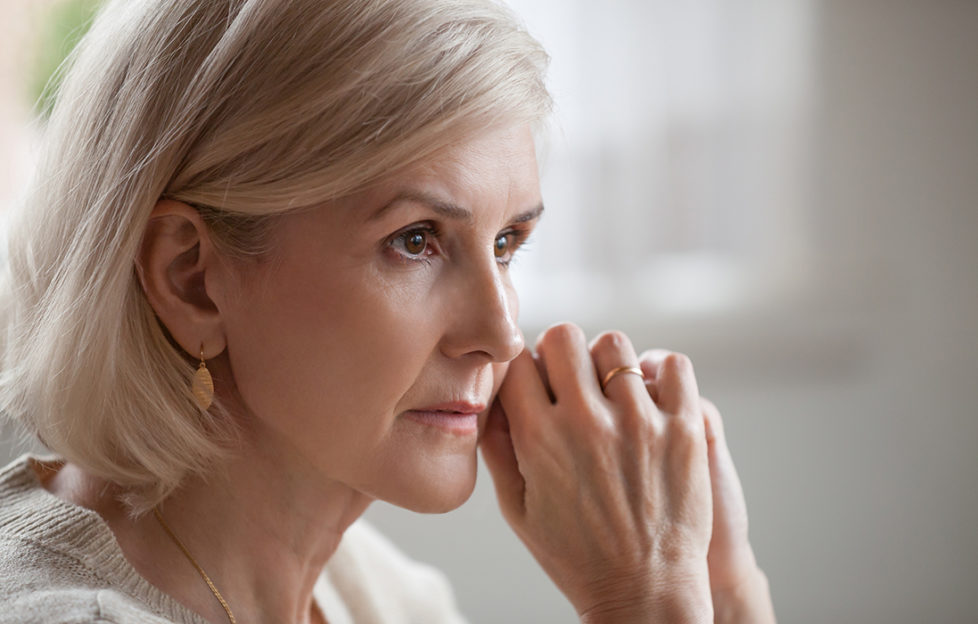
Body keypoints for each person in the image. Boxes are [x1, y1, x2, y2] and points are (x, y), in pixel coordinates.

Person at [0, 0, 776, 622]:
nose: (501, 333)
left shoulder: (379, 594)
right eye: (416, 240)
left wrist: (721, 585)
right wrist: (642, 603)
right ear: (191, 279)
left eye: (507, 241)